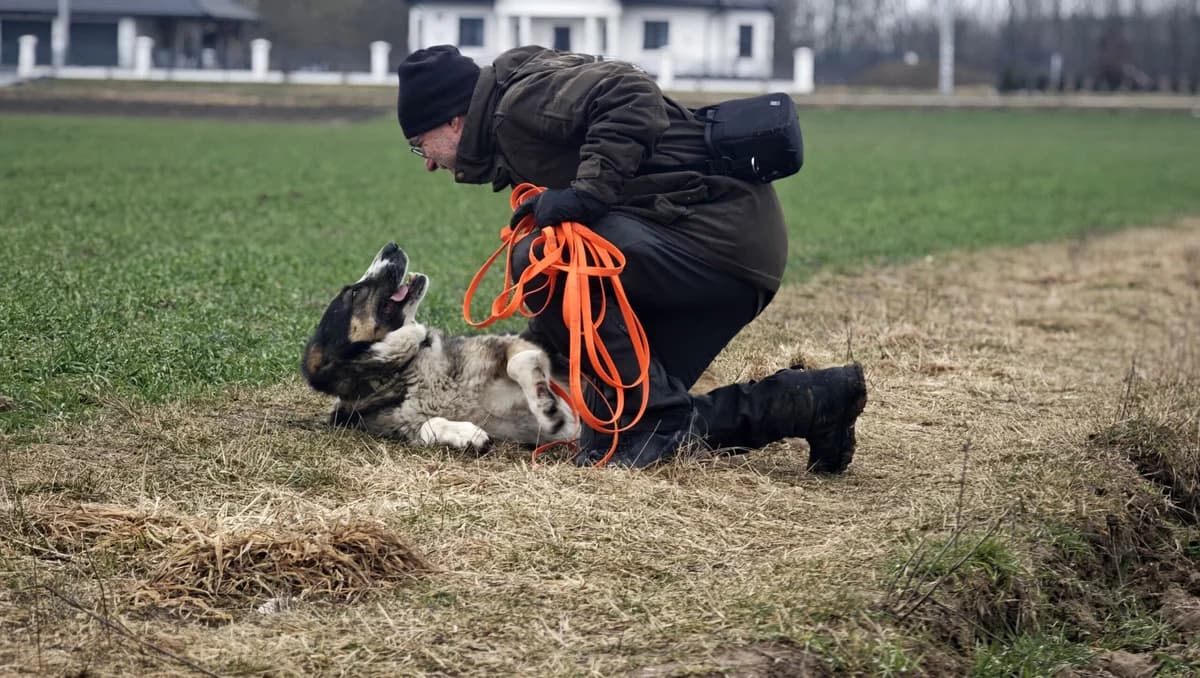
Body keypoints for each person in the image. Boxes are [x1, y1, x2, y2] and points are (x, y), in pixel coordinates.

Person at [395, 44, 867, 470]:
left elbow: (630, 92)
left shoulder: (518, 104)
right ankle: (815, 402)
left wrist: (585, 195)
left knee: (541, 253)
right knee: (613, 422)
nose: (429, 163)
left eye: (420, 146)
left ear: (453, 120)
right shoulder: (513, 103)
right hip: (717, 249)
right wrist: (540, 352)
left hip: (716, 244)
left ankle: (656, 424)